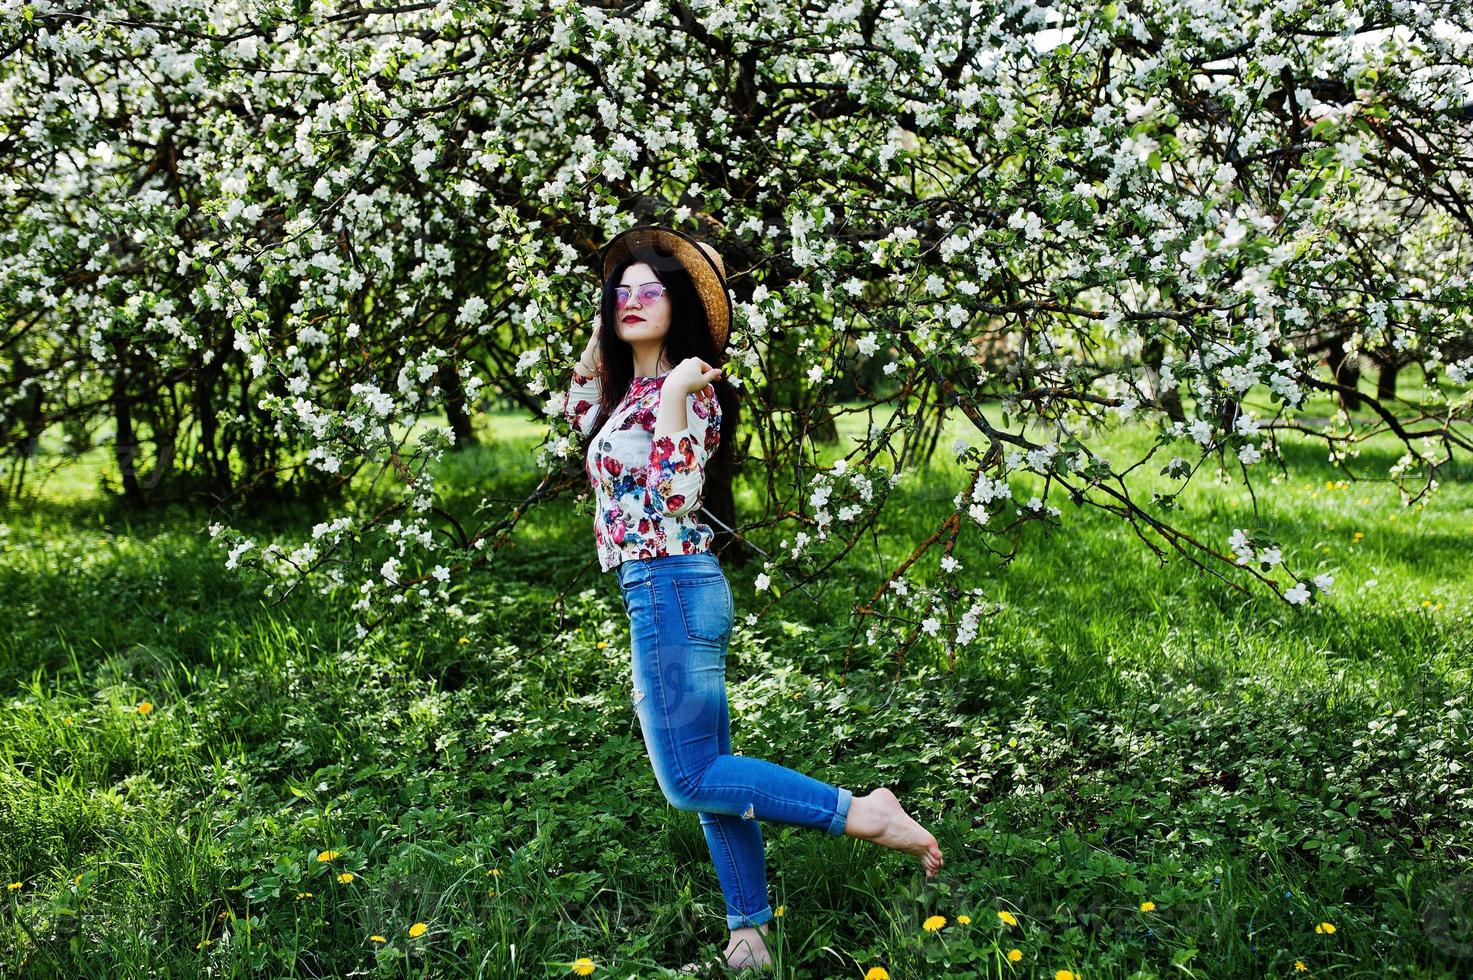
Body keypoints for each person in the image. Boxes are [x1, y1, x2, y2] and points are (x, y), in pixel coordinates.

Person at [562, 225, 944, 972]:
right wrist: (606, 323)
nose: (631, 302)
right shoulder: (624, 392)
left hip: (670, 584)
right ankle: (749, 934)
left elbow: (676, 495)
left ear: (681, 309)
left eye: (650, 291)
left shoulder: (688, 388)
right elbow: (580, 411)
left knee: (689, 779)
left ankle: (862, 813)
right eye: (620, 293)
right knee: (714, 772)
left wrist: (674, 388)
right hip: (662, 588)